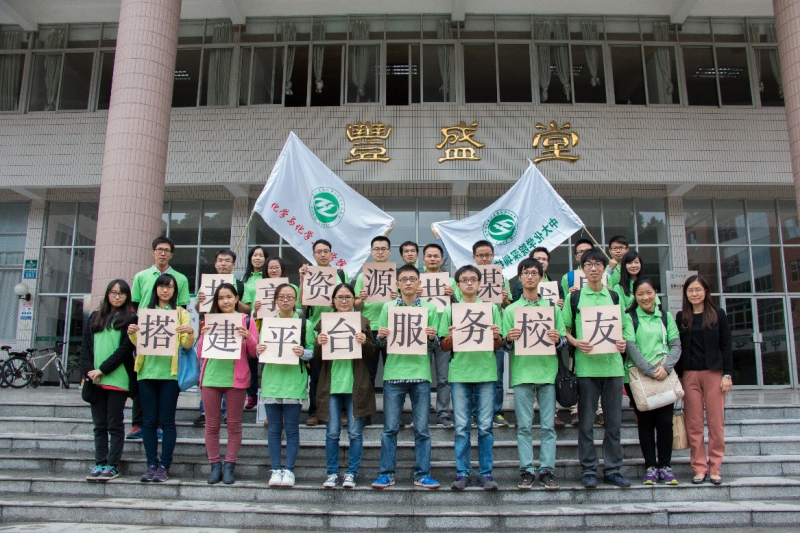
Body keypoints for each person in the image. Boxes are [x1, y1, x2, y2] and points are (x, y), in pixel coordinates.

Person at [561, 249, 630, 489]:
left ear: (604, 268)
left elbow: (625, 326)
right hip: (586, 369)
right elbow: (564, 330)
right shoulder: (575, 298)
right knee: (586, 423)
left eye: (598, 264)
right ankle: (589, 469)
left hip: (613, 369)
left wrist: (623, 343)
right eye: (588, 264)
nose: (593, 268)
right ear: (582, 269)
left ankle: (613, 469)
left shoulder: (614, 296)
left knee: (613, 423)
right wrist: (576, 342)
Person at [372, 264, 440, 490]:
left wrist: (432, 337)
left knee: (422, 429)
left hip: (420, 374)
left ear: (419, 283)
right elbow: (380, 343)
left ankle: (423, 474)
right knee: (390, 429)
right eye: (404, 279)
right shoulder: (388, 307)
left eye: (412, 279)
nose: (408, 282)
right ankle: (386, 474)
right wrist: (381, 336)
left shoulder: (430, 309)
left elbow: (435, 345)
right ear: (397, 284)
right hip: (394, 374)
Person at [503, 258, 567, 490]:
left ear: (541, 277)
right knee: (524, 426)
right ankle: (527, 470)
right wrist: (509, 338)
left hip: (548, 373)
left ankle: (547, 470)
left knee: (548, 426)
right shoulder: (511, 310)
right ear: (519, 278)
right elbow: (505, 346)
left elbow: (563, 340)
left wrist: (557, 340)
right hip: (522, 373)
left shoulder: (552, 308)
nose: (530, 277)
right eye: (525, 273)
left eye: (534, 273)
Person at [438, 265, 503, 490]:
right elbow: (443, 345)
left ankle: (486, 473)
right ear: (457, 285)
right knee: (462, 427)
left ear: (479, 283)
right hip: (459, 373)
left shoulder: (491, 308)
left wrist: (496, 335)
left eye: (473, 279)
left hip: (485, 372)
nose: (469, 283)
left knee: (485, 427)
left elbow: (499, 344)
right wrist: (451, 336)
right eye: (464, 280)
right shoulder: (451, 310)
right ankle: (462, 473)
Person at [128, 273, 195, 483]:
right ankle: (151, 464)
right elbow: (138, 342)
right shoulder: (145, 312)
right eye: (162, 286)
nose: (165, 290)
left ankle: (164, 465)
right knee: (148, 421)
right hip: (146, 372)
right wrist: (132, 332)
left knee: (167, 421)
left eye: (170, 287)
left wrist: (190, 332)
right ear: (155, 289)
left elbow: (186, 345)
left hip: (170, 374)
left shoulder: (181, 313)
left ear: (175, 290)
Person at [128, 236, 191, 440]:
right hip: (145, 333)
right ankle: (139, 423)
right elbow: (135, 304)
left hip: (169, 335)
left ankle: (162, 424)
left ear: (171, 254)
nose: (162, 253)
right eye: (159, 249)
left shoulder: (180, 279)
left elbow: (182, 306)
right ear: (153, 252)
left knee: (166, 383)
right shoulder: (141, 276)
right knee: (143, 375)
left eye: (166, 250)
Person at [315, 283, 377, 489]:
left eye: (348, 297)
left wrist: (365, 341)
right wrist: (319, 343)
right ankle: (332, 473)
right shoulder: (324, 323)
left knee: (355, 433)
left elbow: (372, 354)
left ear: (354, 300)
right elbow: (316, 358)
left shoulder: (362, 322)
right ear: (333, 301)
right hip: (331, 385)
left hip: (355, 385)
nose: (344, 301)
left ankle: (351, 473)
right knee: (332, 433)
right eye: (340, 297)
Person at [622, 277, 681, 486]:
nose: (645, 297)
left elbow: (676, 344)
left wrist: (666, 368)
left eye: (649, 292)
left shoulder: (665, 316)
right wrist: (649, 370)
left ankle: (665, 466)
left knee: (665, 423)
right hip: (638, 377)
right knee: (645, 423)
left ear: (655, 293)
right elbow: (631, 346)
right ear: (635, 296)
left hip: (664, 375)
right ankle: (650, 467)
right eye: (640, 294)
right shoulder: (629, 317)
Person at [198, 283, 258, 485]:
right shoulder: (210, 320)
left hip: (236, 379)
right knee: (211, 425)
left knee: (233, 425)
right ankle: (215, 465)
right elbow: (200, 353)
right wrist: (202, 336)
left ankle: (230, 465)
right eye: (221, 298)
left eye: (229, 297)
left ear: (236, 298)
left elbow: (254, 353)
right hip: (211, 378)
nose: (225, 301)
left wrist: (248, 337)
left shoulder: (246, 320)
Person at [676, 274, 733, 485]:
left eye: (698, 289)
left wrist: (727, 374)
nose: (694, 294)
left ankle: (715, 467)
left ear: (706, 291)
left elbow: (726, 345)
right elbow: (677, 347)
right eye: (690, 290)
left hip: (713, 374)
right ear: (686, 294)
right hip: (689, 375)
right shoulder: (681, 317)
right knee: (694, 424)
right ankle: (699, 467)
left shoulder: (718, 315)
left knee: (716, 424)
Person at [257, 283, 314, 488]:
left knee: (291, 429)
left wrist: (303, 352)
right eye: (281, 297)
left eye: (290, 297)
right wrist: (259, 349)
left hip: (293, 381)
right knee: (273, 429)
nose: (285, 300)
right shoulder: (268, 323)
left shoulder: (304, 323)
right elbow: (259, 351)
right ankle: (275, 469)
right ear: (275, 300)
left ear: (296, 299)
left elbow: (312, 352)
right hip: (272, 380)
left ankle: (289, 469)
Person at [81, 279, 137, 482]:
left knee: (114, 424)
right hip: (94, 381)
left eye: (121, 293)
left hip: (117, 380)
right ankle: (100, 462)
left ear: (127, 297)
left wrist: (102, 370)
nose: (117, 296)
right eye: (113, 292)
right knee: (99, 426)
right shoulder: (95, 317)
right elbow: (86, 347)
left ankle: (112, 465)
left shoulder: (131, 319)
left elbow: (125, 350)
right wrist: (89, 371)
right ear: (107, 294)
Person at [194, 249, 246, 424]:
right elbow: (198, 309)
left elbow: (247, 309)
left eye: (227, 260)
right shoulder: (206, 283)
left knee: (229, 371)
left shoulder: (239, 285)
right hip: (211, 330)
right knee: (209, 369)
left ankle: (226, 412)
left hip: (232, 331)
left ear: (234, 264)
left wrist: (235, 301)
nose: (224, 263)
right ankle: (205, 411)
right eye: (220, 260)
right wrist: (200, 302)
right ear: (215, 264)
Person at [299, 239, 348, 426]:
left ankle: (342, 412)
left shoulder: (340, 273)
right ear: (313, 255)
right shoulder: (309, 273)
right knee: (317, 375)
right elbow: (302, 303)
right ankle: (316, 412)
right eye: (319, 252)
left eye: (326, 251)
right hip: (316, 329)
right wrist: (302, 279)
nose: (322, 254)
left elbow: (348, 298)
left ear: (331, 253)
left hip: (338, 328)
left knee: (340, 372)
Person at [560, 239, 603, 427]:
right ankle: (576, 410)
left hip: (603, 335)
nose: (584, 254)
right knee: (576, 375)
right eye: (580, 252)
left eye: (588, 251)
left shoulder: (606, 277)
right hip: (579, 340)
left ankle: (600, 410)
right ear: (577, 257)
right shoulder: (568, 277)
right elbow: (564, 307)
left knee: (602, 375)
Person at [354, 236, 397, 410]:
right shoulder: (362, 276)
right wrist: (361, 299)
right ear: (371, 252)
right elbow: (356, 306)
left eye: (383, 249)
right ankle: (366, 414)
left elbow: (406, 304)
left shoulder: (396, 275)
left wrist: (398, 298)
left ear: (389, 251)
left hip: (391, 329)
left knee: (392, 374)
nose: (380, 252)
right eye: (376, 249)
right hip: (369, 329)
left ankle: (392, 413)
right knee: (368, 375)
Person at [472, 240, 511, 428]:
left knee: (497, 375)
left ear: (493, 256)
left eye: (487, 255)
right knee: (472, 375)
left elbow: (508, 306)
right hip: (472, 333)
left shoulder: (501, 278)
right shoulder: (468, 277)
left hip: (495, 333)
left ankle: (496, 412)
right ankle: (474, 413)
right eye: (480, 255)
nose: (484, 259)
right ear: (474, 257)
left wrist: (504, 300)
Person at [421, 243, 458, 428]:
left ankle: (443, 413)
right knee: (422, 376)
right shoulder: (417, 281)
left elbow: (460, 308)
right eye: (429, 256)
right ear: (423, 259)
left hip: (443, 333)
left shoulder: (451, 281)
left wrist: (453, 296)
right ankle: (422, 413)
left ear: (442, 259)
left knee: (444, 378)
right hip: (422, 333)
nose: (432, 259)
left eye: (436, 256)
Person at [241, 246, 269, 410]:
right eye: (254, 255)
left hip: (269, 323)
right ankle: (251, 394)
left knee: (267, 358)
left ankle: (265, 393)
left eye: (261, 255)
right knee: (251, 358)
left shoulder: (269, 278)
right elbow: (245, 305)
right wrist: (254, 310)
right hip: (251, 322)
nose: (257, 258)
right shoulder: (245, 280)